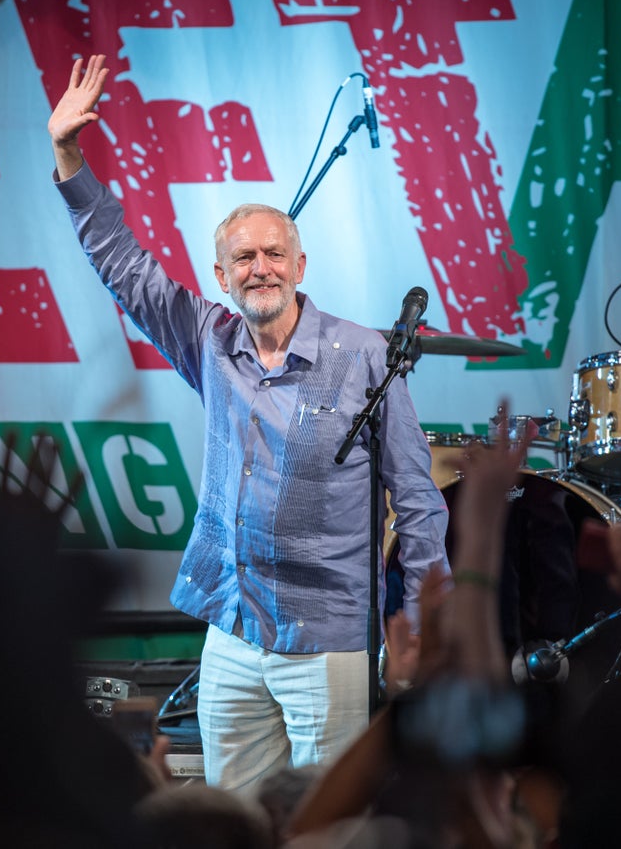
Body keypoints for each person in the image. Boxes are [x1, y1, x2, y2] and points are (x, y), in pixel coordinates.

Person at [47, 55, 449, 792]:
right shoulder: (209, 339)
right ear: (220, 275)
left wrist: (419, 629)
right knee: (233, 818)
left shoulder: (364, 355)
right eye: (243, 257)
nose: (259, 267)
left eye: (273, 254)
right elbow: (124, 266)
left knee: (328, 825)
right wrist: (70, 156)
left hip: (328, 639)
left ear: (300, 264)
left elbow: (419, 503)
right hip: (231, 630)